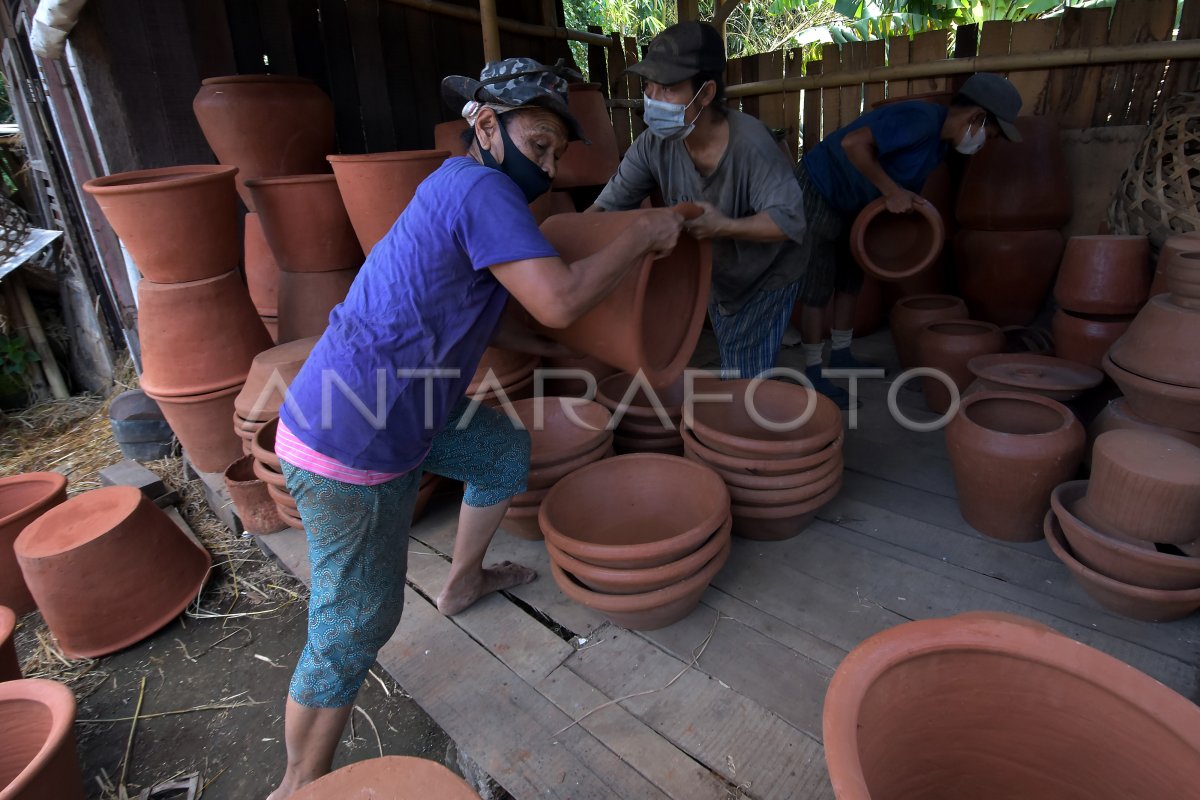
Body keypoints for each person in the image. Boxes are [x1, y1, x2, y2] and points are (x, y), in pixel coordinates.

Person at [265, 58, 685, 799]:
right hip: (352, 442)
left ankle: (460, 583)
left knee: (498, 450)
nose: (548, 165)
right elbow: (555, 300)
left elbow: (488, 309)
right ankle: (300, 783)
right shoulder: (484, 186)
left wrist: (555, 351)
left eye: (557, 153)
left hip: (400, 405)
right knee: (355, 626)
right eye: (539, 143)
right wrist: (648, 228)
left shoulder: (461, 191)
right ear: (485, 126)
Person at [589, 21, 809, 381]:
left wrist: (723, 225)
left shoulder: (750, 144)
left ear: (705, 94)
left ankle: (749, 422)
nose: (653, 99)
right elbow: (605, 208)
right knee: (732, 355)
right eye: (649, 86)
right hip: (718, 269)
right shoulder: (653, 144)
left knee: (743, 374)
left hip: (769, 271)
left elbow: (790, 220)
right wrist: (562, 252)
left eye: (669, 88)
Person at [795, 72, 1023, 407]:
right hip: (822, 187)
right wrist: (891, 192)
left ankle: (841, 354)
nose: (984, 141)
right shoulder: (920, 120)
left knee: (850, 277)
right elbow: (852, 144)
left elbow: (905, 189)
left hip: (854, 202)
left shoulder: (939, 147)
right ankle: (812, 372)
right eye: (989, 132)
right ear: (977, 117)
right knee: (817, 283)